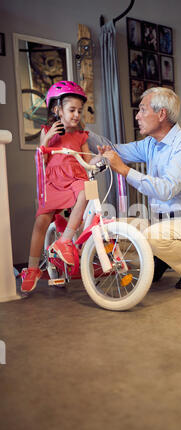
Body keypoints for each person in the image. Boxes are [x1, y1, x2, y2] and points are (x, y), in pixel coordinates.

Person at [101, 87, 181, 289]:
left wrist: (124, 170)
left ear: (161, 114)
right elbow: (115, 149)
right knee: (118, 228)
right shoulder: (150, 143)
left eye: (142, 110)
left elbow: (166, 189)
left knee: (150, 237)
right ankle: (163, 257)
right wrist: (81, 134)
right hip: (161, 222)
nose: (137, 116)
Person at [21, 81, 100, 293]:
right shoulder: (47, 131)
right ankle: (32, 268)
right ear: (58, 110)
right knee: (41, 223)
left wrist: (100, 158)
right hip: (53, 184)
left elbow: (88, 159)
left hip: (75, 178)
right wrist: (46, 140)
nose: (76, 115)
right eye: (71, 110)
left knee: (86, 192)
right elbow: (41, 160)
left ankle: (65, 241)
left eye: (79, 111)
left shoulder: (81, 135)